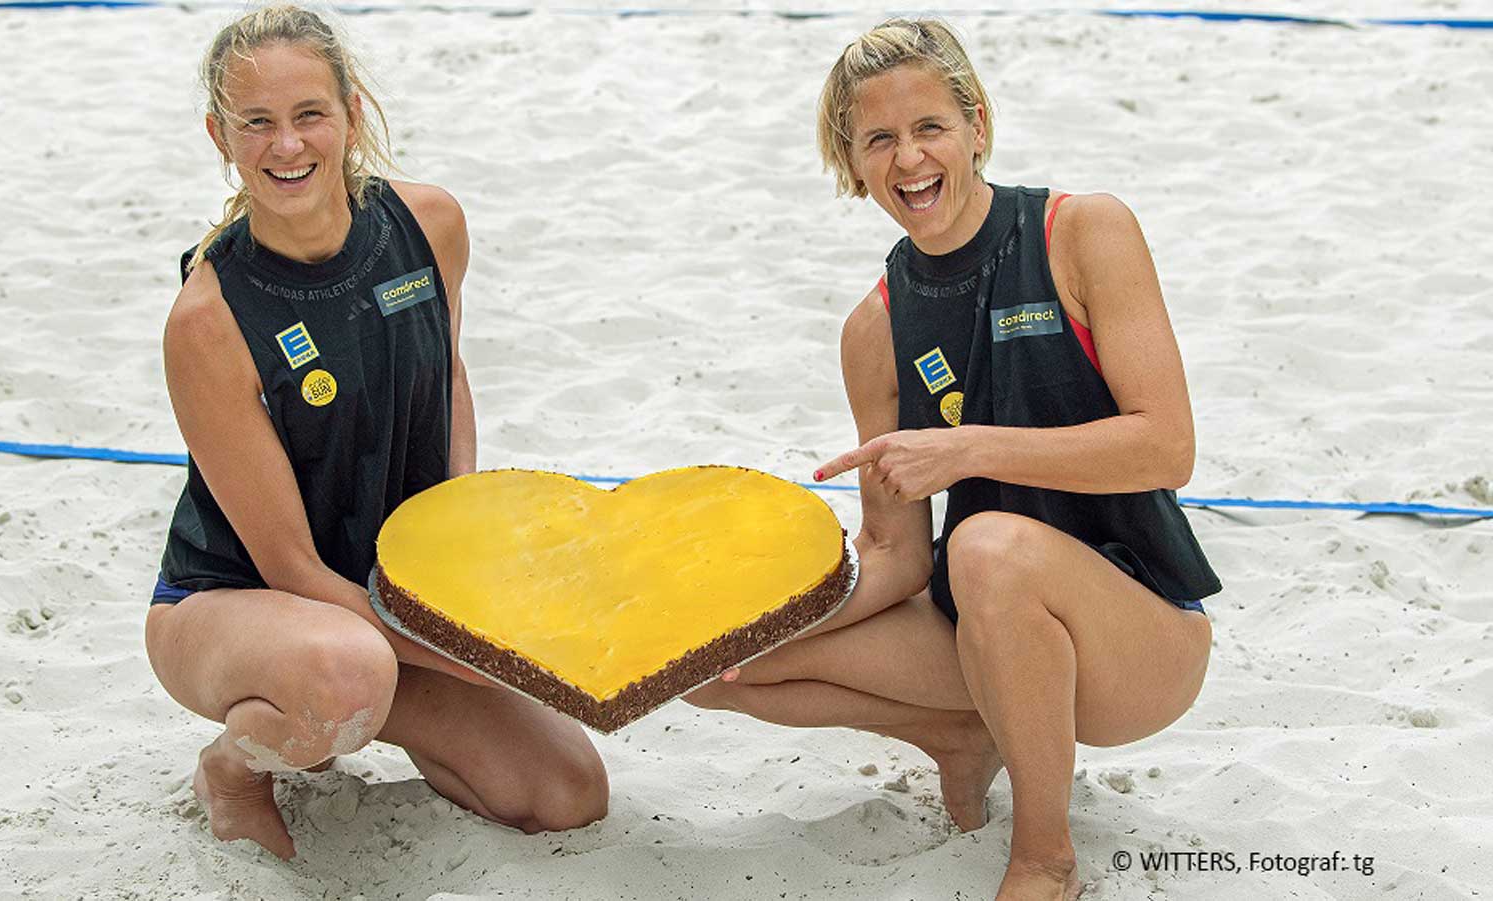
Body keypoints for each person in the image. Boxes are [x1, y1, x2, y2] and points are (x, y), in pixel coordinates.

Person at [686, 18, 1218, 901]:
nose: (909, 159)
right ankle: (960, 735)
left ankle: (1044, 857)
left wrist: (965, 448)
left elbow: (1170, 446)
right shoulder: (873, 329)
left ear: (977, 125)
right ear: (851, 163)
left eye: (929, 127)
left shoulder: (1083, 229)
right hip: (980, 630)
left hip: (1141, 637)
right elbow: (895, 556)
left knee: (984, 549)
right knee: (710, 666)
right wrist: (782, 625)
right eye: (879, 139)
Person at [144, 5, 607, 860]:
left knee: (567, 793)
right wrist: (463, 655)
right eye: (258, 123)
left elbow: (450, 378)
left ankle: (366, 701)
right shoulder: (207, 320)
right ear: (220, 134)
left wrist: (462, 553)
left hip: (380, 600)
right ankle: (235, 766)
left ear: (351, 111)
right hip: (232, 604)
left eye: (309, 114)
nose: (287, 146)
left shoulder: (430, 225)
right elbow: (289, 566)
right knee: (346, 672)